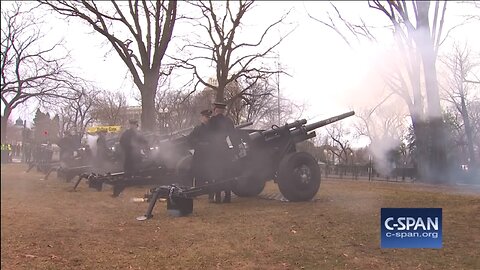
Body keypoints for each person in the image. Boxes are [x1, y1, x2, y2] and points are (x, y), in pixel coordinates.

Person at [206, 101, 237, 203]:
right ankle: (227, 196)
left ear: (216, 110)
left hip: (214, 149)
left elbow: (207, 136)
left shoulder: (211, 121)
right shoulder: (228, 121)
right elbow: (232, 136)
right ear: (223, 111)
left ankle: (217, 196)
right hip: (225, 148)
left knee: (215, 173)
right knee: (226, 172)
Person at [187, 109, 212, 188]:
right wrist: (199, 144)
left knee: (210, 172)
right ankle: (198, 188)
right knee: (198, 172)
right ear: (202, 118)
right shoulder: (198, 129)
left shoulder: (212, 129)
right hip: (200, 154)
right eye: (206, 117)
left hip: (210, 154)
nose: (207, 119)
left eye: (209, 117)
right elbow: (190, 139)